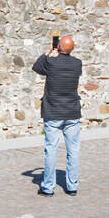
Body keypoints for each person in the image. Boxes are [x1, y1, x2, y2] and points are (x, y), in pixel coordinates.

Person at [34, 35, 82, 197]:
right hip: (72, 112)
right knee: (73, 151)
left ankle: (48, 187)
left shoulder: (52, 63)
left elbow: (37, 67)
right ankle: (72, 186)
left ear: (58, 47)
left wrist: (48, 51)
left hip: (53, 112)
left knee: (51, 150)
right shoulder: (77, 64)